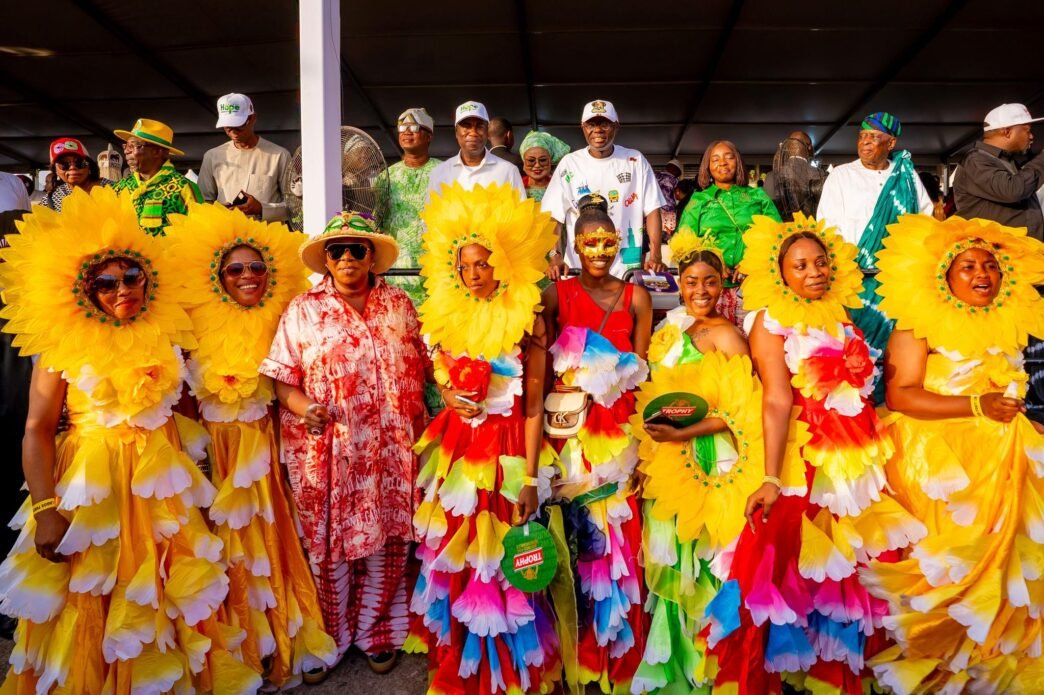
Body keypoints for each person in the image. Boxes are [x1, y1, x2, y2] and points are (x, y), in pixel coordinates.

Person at [0, 186, 261, 693]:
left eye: (133, 275)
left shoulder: (166, 332)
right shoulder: (63, 349)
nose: (123, 288)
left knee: (168, 589)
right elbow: (36, 428)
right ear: (82, 288)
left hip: (162, 487)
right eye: (106, 280)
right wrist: (46, 508)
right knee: (97, 599)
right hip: (96, 490)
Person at [704, 213, 926, 694]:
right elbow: (777, 398)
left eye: (821, 263)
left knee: (850, 567)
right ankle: (785, 673)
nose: (814, 272)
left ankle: (834, 673)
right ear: (779, 274)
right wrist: (770, 477)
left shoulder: (841, 313)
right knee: (790, 565)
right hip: (805, 459)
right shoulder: (770, 321)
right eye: (800, 266)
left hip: (854, 459)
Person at [858, 214, 1044, 693]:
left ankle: (985, 666)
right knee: (943, 571)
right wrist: (976, 405)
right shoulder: (917, 323)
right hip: (939, 466)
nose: (983, 274)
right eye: (968, 266)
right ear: (943, 273)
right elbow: (900, 395)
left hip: (1002, 465)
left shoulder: (1006, 320)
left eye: (990, 265)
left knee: (1002, 570)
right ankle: (931, 669)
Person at [166, 203, 338, 688]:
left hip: (265, 447)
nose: (247, 276)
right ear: (217, 276)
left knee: (270, 545)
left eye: (257, 267)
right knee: (221, 549)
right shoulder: (194, 324)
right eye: (235, 269)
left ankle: (276, 638)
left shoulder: (285, 316)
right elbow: (178, 399)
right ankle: (233, 649)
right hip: (214, 455)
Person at [404, 182, 561, 693]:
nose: (474, 275)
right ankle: (465, 652)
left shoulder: (528, 322)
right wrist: (447, 394)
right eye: (466, 265)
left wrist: (531, 477)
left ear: (505, 263)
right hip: (458, 451)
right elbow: (439, 369)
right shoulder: (447, 314)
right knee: (461, 546)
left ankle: (509, 664)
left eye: (484, 263)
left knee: (510, 550)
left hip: (510, 449)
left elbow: (534, 405)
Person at [259, 211, 427, 675]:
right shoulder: (302, 310)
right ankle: (327, 637)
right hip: (329, 451)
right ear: (326, 261)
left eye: (358, 249)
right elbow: (282, 380)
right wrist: (302, 408)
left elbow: (427, 365)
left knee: (389, 539)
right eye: (338, 250)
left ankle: (378, 632)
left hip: (393, 449)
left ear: (372, 257)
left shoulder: (400, 305)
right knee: (328, 548)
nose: (348, 257)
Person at [630, 232, 771, 693]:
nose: (700, 291)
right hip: (670, 460)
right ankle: (680, 668)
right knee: (675, 562)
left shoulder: (729, 334)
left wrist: (684, 434)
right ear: (679, 282)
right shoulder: (671, 329)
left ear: (724, 285)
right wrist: (651, 451)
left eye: (710, 282)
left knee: (708, 563)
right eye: (691, 282)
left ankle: (713, 670)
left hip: (712, 465)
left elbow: (743, 413)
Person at [540, 194, 653, 693]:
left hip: (620, 435)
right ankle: (575, 653)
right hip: (569, 434)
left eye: (609, 241)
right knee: (576, 540)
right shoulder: (554, 294)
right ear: (574, 244)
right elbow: (537, 364)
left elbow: (644, 376)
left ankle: (613, 651)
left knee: (618, 545)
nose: (601, 250)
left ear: (620, 242)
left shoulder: (638, 299)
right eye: (591, 242)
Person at [815, 112, 934, 399]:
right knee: (856, 350)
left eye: (874, 137)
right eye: (862, 136)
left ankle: (891, 404)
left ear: (891, 142)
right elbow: (826, 228)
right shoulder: (842, 175)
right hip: (855, 283)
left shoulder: (907, 176)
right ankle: (858, 409)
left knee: (894, 353)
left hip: (896, 284)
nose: (866, 143)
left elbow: (925, 221)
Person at [542, 100, 667, 279]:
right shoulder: (570, 164)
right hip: (579, 270)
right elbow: (553, 217)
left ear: (616, 126)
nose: (598, 130)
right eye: (591, 124)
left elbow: (653, 209)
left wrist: (656, 255)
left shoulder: (635, 160)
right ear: (583, 127)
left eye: (604, 123)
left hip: (625, 272)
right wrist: (555, 256)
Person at [676, 140, 781, 326]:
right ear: (707, 166)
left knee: (753, 340)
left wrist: (751, 263)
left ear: (738, 162)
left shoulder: (758, 197)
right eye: (715, 159)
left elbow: (777, 236)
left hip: (753, 287)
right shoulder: (699, 200)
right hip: (710, 291)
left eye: (728, 157)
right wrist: (713, 261)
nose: (722, 163)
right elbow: (684, 242)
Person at [953, 103, 1044, 240]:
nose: (1031, 136)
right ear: (1007, 132)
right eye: (1027, 130)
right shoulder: (975, 160)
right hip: (994, 256)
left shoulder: (1006, 161)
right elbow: (1014, 190)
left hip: (1021, 253)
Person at [197, 93, 292, 222]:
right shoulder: (212, 156)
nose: (233, 131)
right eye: (228, 127)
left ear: (253, 118)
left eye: (239, 125)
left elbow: (295, 206)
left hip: (265, 237)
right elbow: (201, 203)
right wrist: (217, 210)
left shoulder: (279, 155)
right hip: (225, 236)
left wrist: (262, 209)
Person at [111, 118, 203, 234]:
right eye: (126, 146)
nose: (126, 151)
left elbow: (200, 231)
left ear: (157, 152)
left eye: (134, 146)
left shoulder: (183, 188)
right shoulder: (119, 188)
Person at [386, 107, 441, 306]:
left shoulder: (444, 173)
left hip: (435, 272)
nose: (407, 132)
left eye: (414, 127)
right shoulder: (387, 176)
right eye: (402, 128)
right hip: (394, 274)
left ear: (429, 136)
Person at [425, 101, 525, 202]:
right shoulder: (439, 173)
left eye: (480, 126)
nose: (473, 132)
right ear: (456, 132)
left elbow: (521, 214)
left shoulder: (508, 171)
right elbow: (431, 215)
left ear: (487, 131)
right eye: (466, 126)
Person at [764, 131, 826, 222]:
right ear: (809, 147)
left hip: (781, 233)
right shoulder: (822, 174)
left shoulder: (771, 176)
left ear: (788, 147)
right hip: (813, 232)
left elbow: (768, 211)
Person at [40, 137, 113, 212]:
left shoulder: (113, 188)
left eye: (79, 162)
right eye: (63, 164)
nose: (72, 167)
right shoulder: (50, 201)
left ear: (90, 165)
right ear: (55, 171)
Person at [519, 130, 570, 202]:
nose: (537, 165)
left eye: (543, 160)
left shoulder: (563, 186)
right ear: (524, 162)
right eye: (531, 161)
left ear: (550, 161)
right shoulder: (516, 186)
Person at [656, 158, 684, 236]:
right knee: (668, 237)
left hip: (654, 211)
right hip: (669, 213)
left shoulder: (655, 176)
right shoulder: (675, 181)